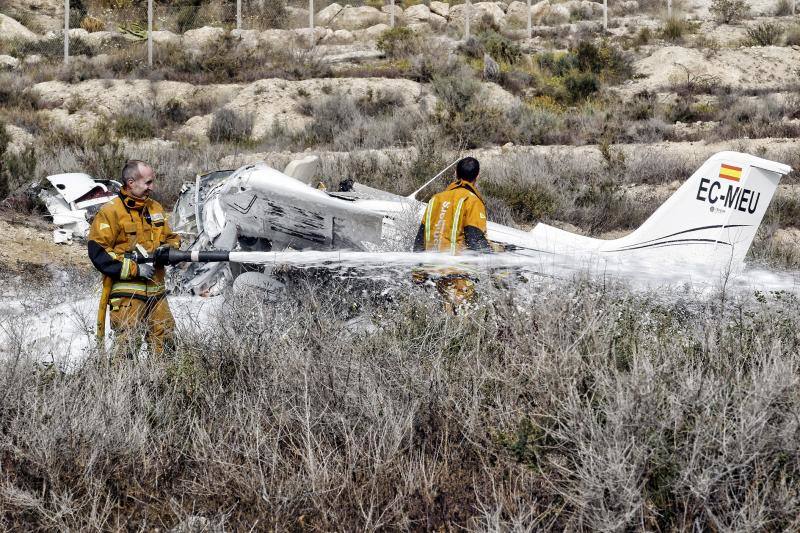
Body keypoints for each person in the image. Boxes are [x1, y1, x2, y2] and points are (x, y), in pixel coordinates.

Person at [88, 160, 181, 360]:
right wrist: (134, 269)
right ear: (131, 183)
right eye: (148, 183)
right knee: (127, 347)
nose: (152, 187)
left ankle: (163, 387)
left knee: (166, 343)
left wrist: (170, 250)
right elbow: (99, 252)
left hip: (157, 292)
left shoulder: (155, 208)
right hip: (127, 294)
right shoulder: (111, 211)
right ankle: (124, 388)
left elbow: (171, 238)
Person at [413, 156, 491, 313]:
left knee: (444, 317)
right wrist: (496, 260)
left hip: (434, 270)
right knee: (462, 321)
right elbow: (475, 240)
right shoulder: (472, 201)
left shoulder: (436, 199)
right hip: (458, 274)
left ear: (456, 174)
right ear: (477, 176)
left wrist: (418, 273)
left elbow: (420, 239)